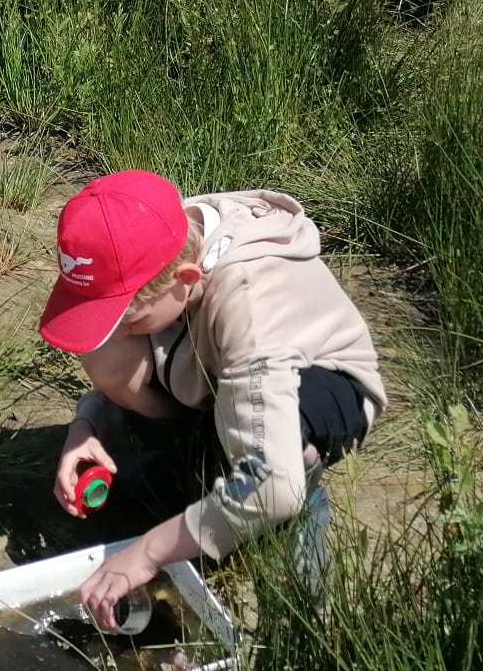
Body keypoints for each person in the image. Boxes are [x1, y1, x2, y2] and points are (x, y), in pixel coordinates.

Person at [41, 170, 387, 628]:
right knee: (106, 352)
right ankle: (192, 462)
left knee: (282, 470)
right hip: (215, 371)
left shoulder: (251, 304)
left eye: (130, 318)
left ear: (186, 278)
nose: (121, 330)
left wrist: (146, 553)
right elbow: (129, 332)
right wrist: (88, 425)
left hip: (321, 385)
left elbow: (273, 483)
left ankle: (306, 599)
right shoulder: (160, 235)